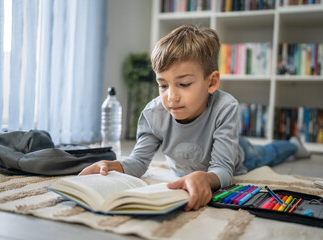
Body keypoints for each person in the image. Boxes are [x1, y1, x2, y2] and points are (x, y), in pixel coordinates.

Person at [79, 24, 310, 211]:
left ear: (211, 82)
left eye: (184, 84)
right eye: (162, 85)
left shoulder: (224, 107)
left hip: (240, 156)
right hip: (192, 167)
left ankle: (292, 144)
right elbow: (139, 162)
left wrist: (205, 178)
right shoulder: (153, 113)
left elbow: (223, 170)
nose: (171, 96)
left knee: (268, 153)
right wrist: (114, 165)